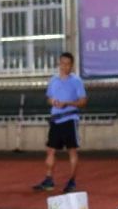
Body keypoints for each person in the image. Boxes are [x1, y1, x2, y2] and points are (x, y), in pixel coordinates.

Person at [33, 52, 86, 194]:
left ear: (72, 65)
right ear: (59, 64)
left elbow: (83, 101)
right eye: (62, 63)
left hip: (69, 119)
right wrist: (53, 102)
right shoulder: (53, 80)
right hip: (56, 120)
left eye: (68, 64)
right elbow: (49, 98)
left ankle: (72, 181)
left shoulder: (76, 81)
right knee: (50, 149)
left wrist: (67, 103)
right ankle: (48, 179)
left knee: (72, 150)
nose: (64, 67)